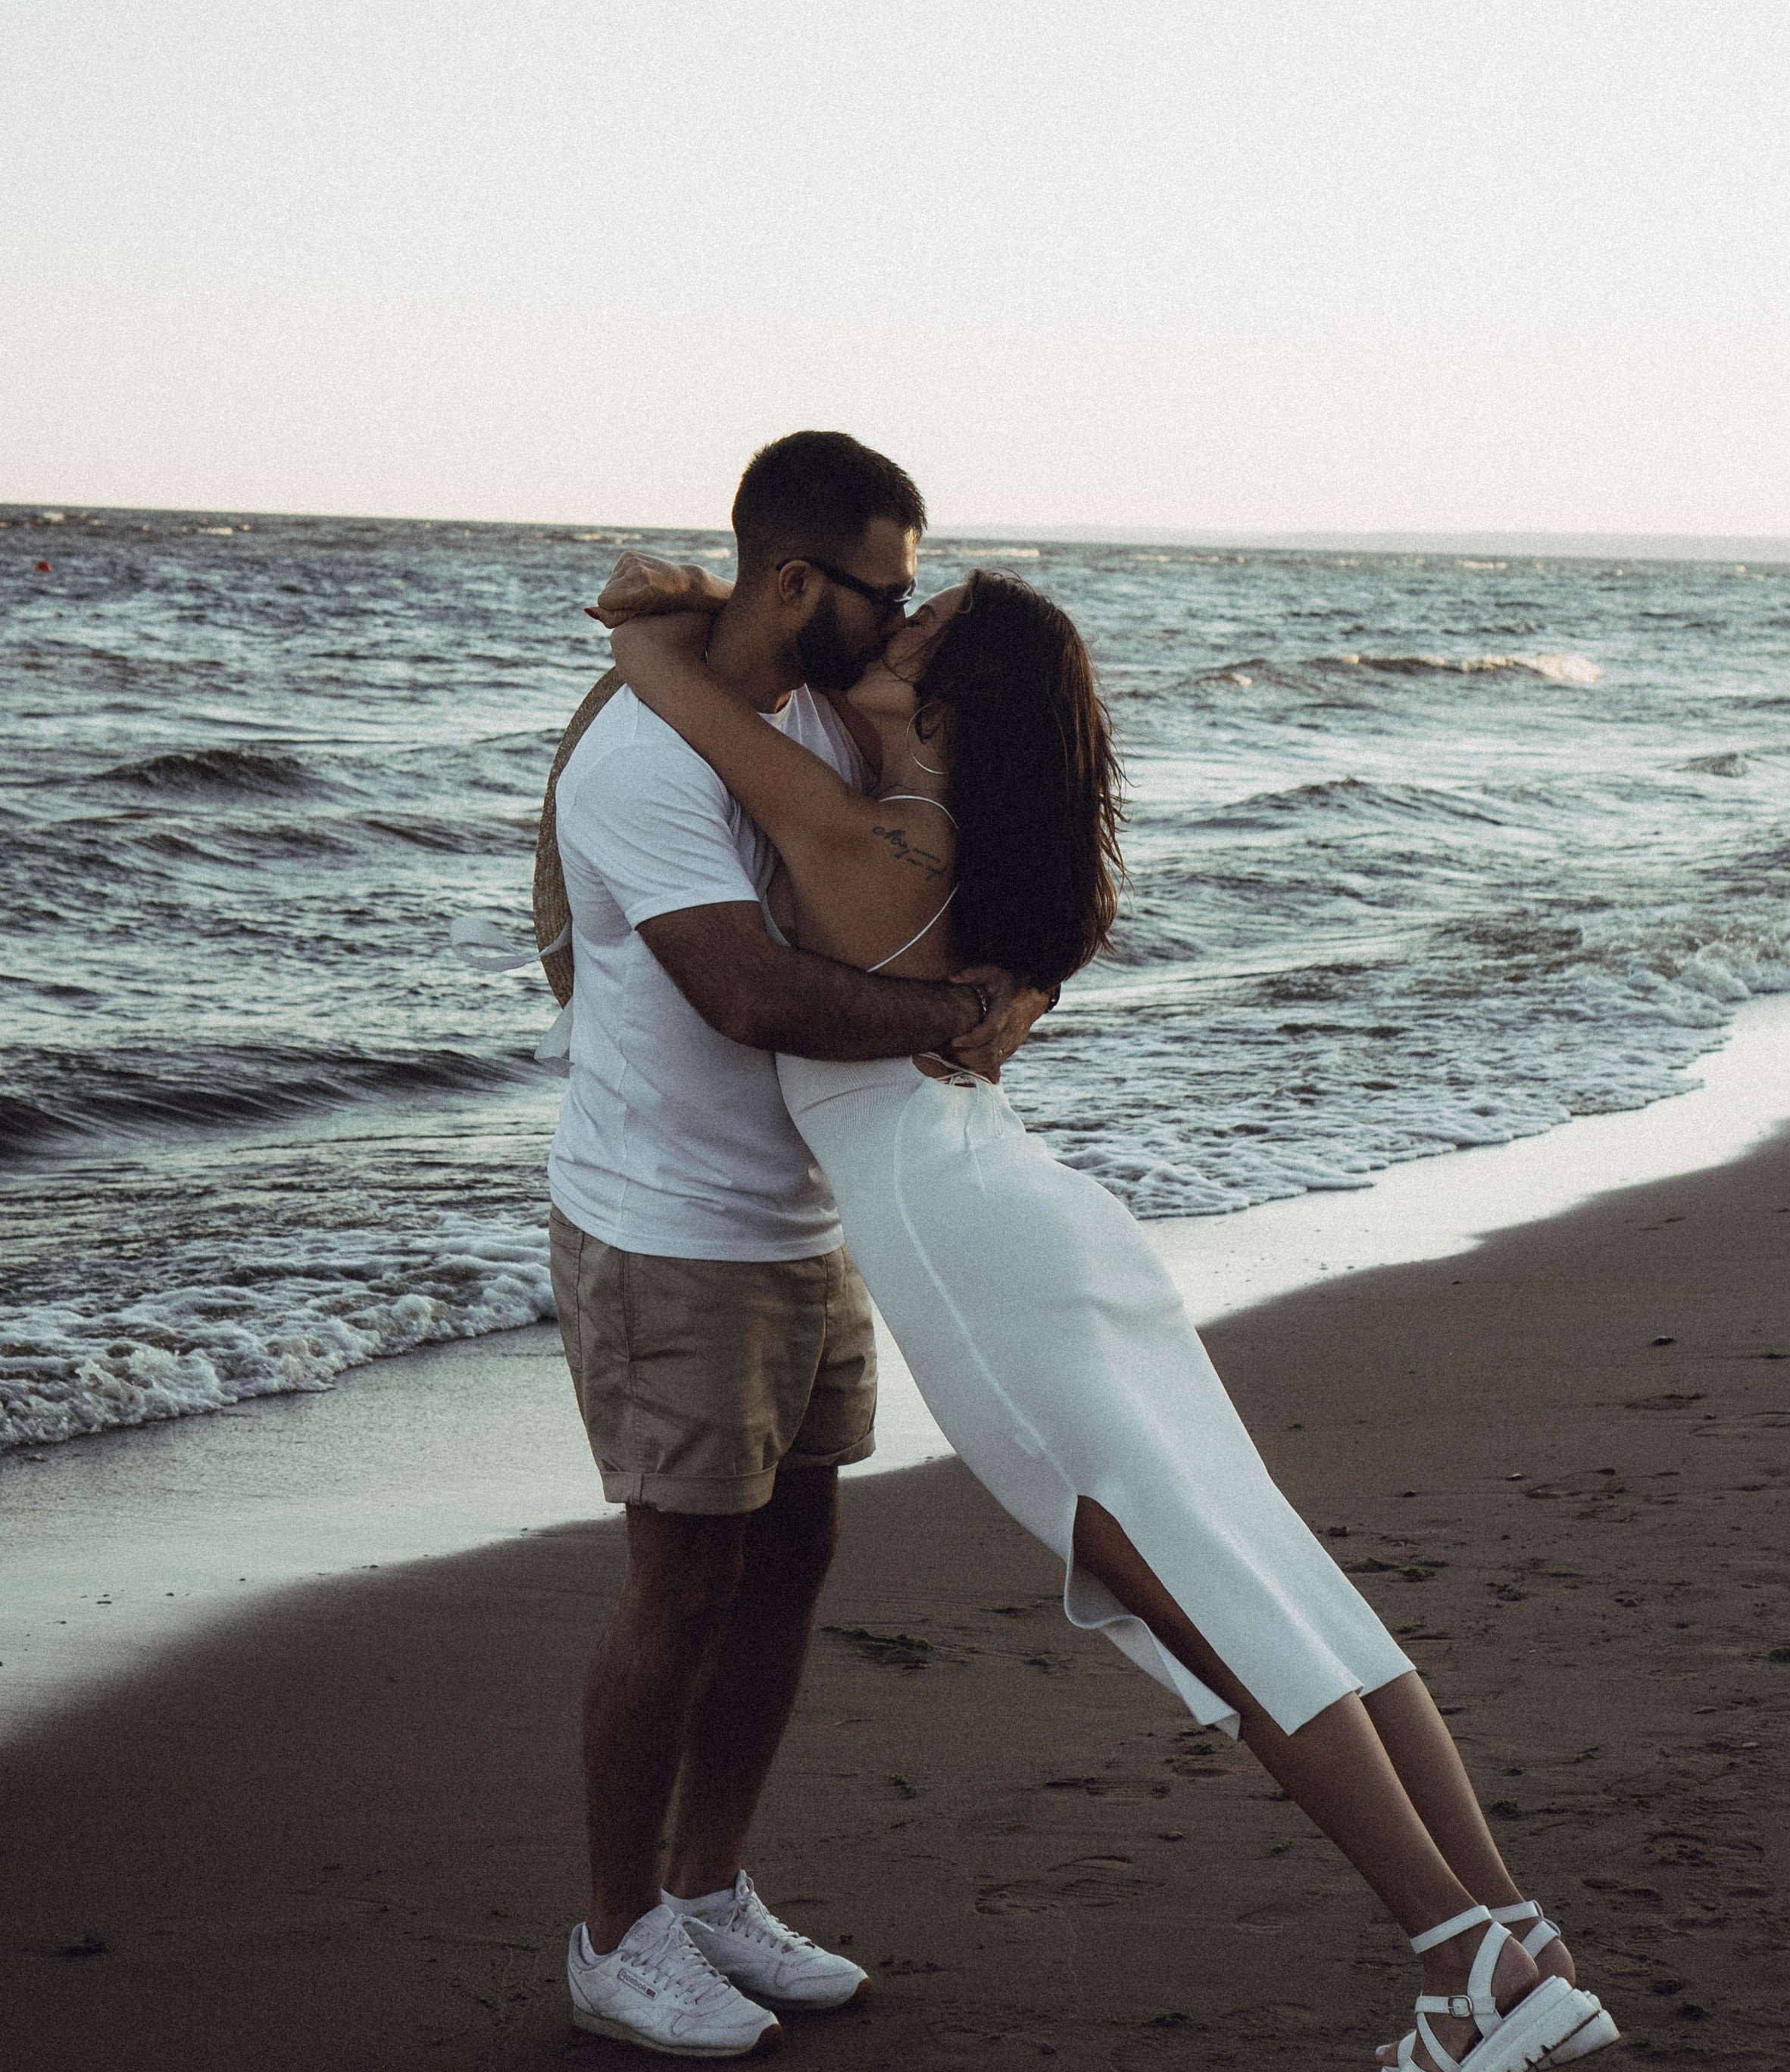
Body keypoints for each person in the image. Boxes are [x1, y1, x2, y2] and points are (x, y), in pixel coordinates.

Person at [589, 554, 1621, 2072]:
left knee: (1203, 1603)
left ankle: (1468, 1963)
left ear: (947, 707)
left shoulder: (878, 844)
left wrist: (641, 624)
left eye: (910, 636)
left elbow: (681, 704)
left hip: (973, 1252)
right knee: (1266, 1571)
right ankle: (1507, 1935)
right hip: (1030, 1220)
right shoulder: (986, 851)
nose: (873, 638)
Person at [542, 432, 1047, 2058]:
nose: (899, 624)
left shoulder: (829, 708)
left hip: (804, 1214)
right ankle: (614, 1938)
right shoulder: (645, 759)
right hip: (665, 1228)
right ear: (790, 578)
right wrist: (949, 1018)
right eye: (883, 589)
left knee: (792, 1562)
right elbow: (745, 992)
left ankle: (707, 1891)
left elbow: (920, 870)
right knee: (680, 1582)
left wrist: (989, 985)